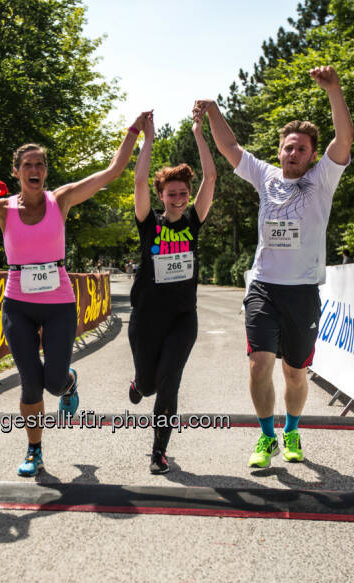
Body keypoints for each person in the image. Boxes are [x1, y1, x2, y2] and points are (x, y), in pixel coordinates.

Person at [0, 113, 151, 476]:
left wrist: (135, 132)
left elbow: (111, 172)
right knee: (29, 382)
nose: (34, 169)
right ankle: (34, 451)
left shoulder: (62, 200)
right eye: (28, 165)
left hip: (58, 303)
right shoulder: (2, 209)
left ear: (45, 171)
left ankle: (69, 382)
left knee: (53, 382)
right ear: (18, 172)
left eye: (40, 164)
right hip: (18, 304)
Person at [195, 65, 354, 469]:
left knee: (295, 372)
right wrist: (214, 109)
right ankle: (267, 437)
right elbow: (230, 147)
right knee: (259, 364)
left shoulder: (323, 179)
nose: (293, 153)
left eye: (301, 148)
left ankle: (293, 429)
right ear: (279, 149)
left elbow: (344, 138)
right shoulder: (264, 175)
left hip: (302, 292)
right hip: (263, 286)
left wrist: (334, 90)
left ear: (311, 155)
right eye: (288, 147)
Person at [128, 108, 216, 474]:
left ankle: (158, 452)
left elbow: (210, 175)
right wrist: (148, 139)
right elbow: (138, 182)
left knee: (168, 386)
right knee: (148, 386)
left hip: (183, 318)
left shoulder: (194, 222)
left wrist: (199, 131)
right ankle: (138, 381)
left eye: (183, 193)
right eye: (172, 193)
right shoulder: (150, 224)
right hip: (146, 318)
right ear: (162, 195)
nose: (179, 198)